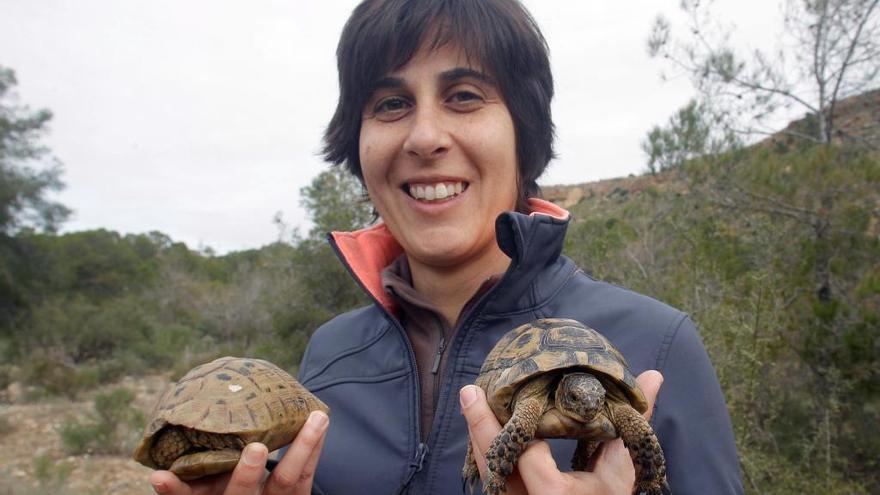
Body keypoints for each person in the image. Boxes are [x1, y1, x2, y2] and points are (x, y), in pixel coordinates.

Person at [149, 0, 743, 494]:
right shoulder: (330, 357)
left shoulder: (656, 347)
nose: (425, 136)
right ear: (357, 145)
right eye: (390, 104)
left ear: (524, 132)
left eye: (464, 95)